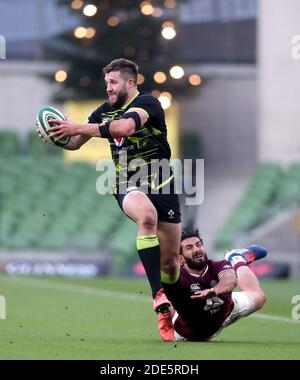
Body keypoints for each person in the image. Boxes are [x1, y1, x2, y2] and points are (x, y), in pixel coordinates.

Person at [42, 58, 181, 339]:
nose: (109, 88)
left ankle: (172, 306)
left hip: (163, 183)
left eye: (113, 82)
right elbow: (74, 143)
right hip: (128, 183)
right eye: (107, 83)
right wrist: (57, 135)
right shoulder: (104, 111)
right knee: (146, 217)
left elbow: (124, 129)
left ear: (131, 83)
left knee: (171, 265)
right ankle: (158, 298)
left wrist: (77, 127)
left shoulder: (148, 103)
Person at [160, 227, 267, 342]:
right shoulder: (180, 277)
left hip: (226, 313)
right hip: (186, 334)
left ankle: (236, 258)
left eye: (198, 244)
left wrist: (214, 290)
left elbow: (230, 279)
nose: (197, 250)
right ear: (180, 258)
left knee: (259, 296)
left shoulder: (218, 266)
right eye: (189, 248)